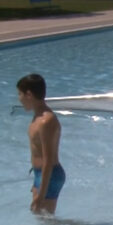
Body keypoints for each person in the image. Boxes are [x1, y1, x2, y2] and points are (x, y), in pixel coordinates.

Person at [16, 74, 65, 215]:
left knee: (46, 222)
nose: (19, 99)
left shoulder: (46, 121)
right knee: (42, 220)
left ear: (29, 94)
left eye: (20, 94)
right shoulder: (37, 116)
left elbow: (48, 160)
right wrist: (36, 181)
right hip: (41, 174)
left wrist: (41, 194)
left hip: (50, 175)